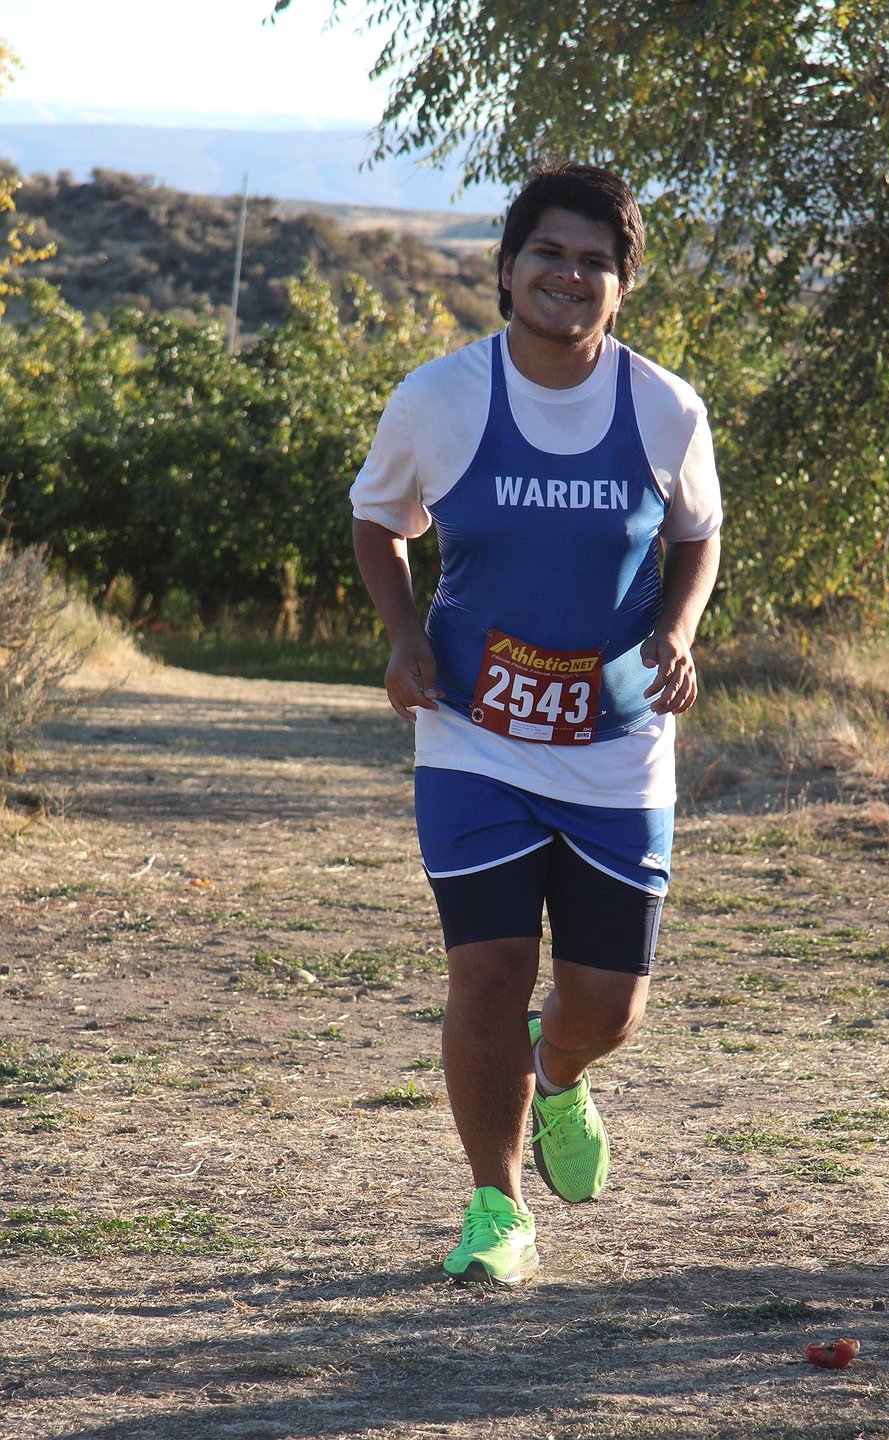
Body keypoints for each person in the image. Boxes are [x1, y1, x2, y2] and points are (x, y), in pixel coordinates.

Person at [350, 160, 722, 1286]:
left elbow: (696, 535)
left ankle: (558, 1075)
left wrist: (678, 629)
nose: (570, 274)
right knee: (488, 973)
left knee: (606, 1006)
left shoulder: (665, 408)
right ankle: (496, 1207)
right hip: (473, 735)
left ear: (623, 285)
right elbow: (380, 518)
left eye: (595, 261)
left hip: (619, 749)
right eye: (549, 254)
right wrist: (404, 636)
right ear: (507, 270)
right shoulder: (439, 398)